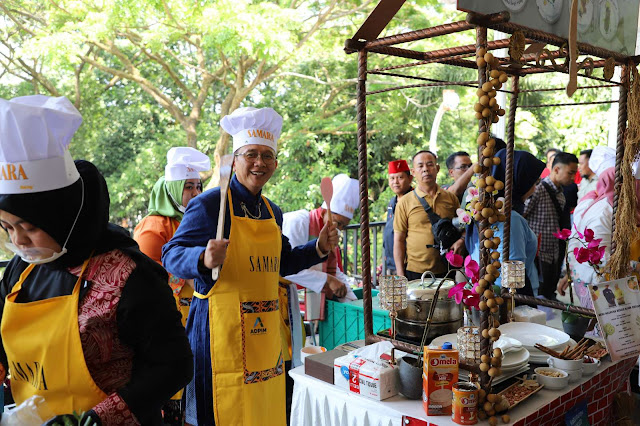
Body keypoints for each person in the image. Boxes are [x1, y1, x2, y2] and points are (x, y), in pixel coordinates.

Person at [0, 95, 192, 425]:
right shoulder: (22, 269)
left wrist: (100, 418)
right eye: (7, 227)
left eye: (30, 228)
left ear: (63, 216)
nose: (18, 241)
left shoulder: (130, 276)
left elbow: (174, 365)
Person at [162, 107, 338, 426]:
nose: (260, 163)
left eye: (267, 156)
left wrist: (319, 247)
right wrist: (202, 258)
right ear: (237, 158)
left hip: (265, 337)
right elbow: (171, 254)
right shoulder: (211, 204)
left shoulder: (273, 211)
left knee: (263, 412)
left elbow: (281, 262)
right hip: (220, 335)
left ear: (275, 164)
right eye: (251, 154)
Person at [133, 146, 210, 425]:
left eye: (198, 186)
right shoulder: (153, 228)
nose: (195, 193)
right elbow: (148, 283)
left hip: (200, 317)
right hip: (168, 325)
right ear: (172, 189)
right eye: (187, 187)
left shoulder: (200, 220)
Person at [465, 149, 544, 296]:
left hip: (489, 293)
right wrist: (524, 306)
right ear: (520, 180)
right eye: (534, 182)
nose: (535, 188)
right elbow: (513, 273)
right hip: (505, 299)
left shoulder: (484, 210)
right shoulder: (510, 219)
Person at [394, 150, 462, 280]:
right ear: (413, 172)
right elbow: (399, 240)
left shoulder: (451, 198)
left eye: (430, 164)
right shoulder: (405, 202)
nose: (425, 169)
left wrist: (461, 241)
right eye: (420, 166)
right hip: (415, 271)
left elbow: (463, 226)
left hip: (446, 269)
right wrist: (400, 274)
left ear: (437, 168)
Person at [524, 152, 578, 300]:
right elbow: (522, 216)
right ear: (556, 169)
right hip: (538, 254)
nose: (573, 178)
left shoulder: (560, 192)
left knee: (548, 292)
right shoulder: (538, 190)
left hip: (554, 250)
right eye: (570, 173)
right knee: (540, 294)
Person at [383, 160, 413, 275]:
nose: (395, 182)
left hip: (408, 264)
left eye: (400, 177)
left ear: (410, 179)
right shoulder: (392, 201)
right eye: (392, 178)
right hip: (391, 262)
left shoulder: (414, 200)